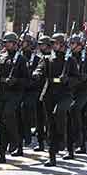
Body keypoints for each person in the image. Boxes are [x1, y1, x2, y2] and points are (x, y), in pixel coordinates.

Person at [0, 32, 28, 164]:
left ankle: (15, 139)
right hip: (1, 92)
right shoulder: (0, 57)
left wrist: (16, 80)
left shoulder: (21, 59)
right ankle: (1, 153)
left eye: (8, 42)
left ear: (15, 44)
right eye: (5, 42)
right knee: (1, 122)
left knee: (8, 114)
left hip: (14, 93)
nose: (6, 44)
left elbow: (27, 80)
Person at [33, 33, 74, 166]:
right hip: (50, 93)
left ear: (62, 45)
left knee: (60, 114)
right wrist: (37, 73)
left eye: (56, 43)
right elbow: (40, 68)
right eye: (53, 43)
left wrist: (68, 79)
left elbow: (78, 78)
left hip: (65, 93)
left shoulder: (70, 60)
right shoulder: (47, 58)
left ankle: (62, 139)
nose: (54, 46)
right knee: (50, 125)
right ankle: (52, 156)